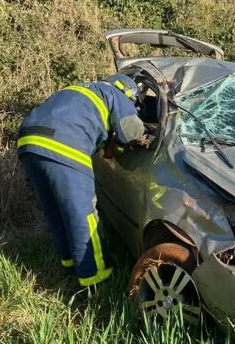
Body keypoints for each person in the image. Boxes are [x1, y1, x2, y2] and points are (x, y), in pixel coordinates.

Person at [17, 74, 148, 286]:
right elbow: (131, 132)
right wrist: (146, 135)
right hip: (64, 144)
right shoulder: (117, 94)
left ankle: (69, 265)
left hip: (28, 141)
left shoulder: (81, 90)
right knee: (83, 215)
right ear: (129, 93)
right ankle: (96, 279)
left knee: (56, 210)